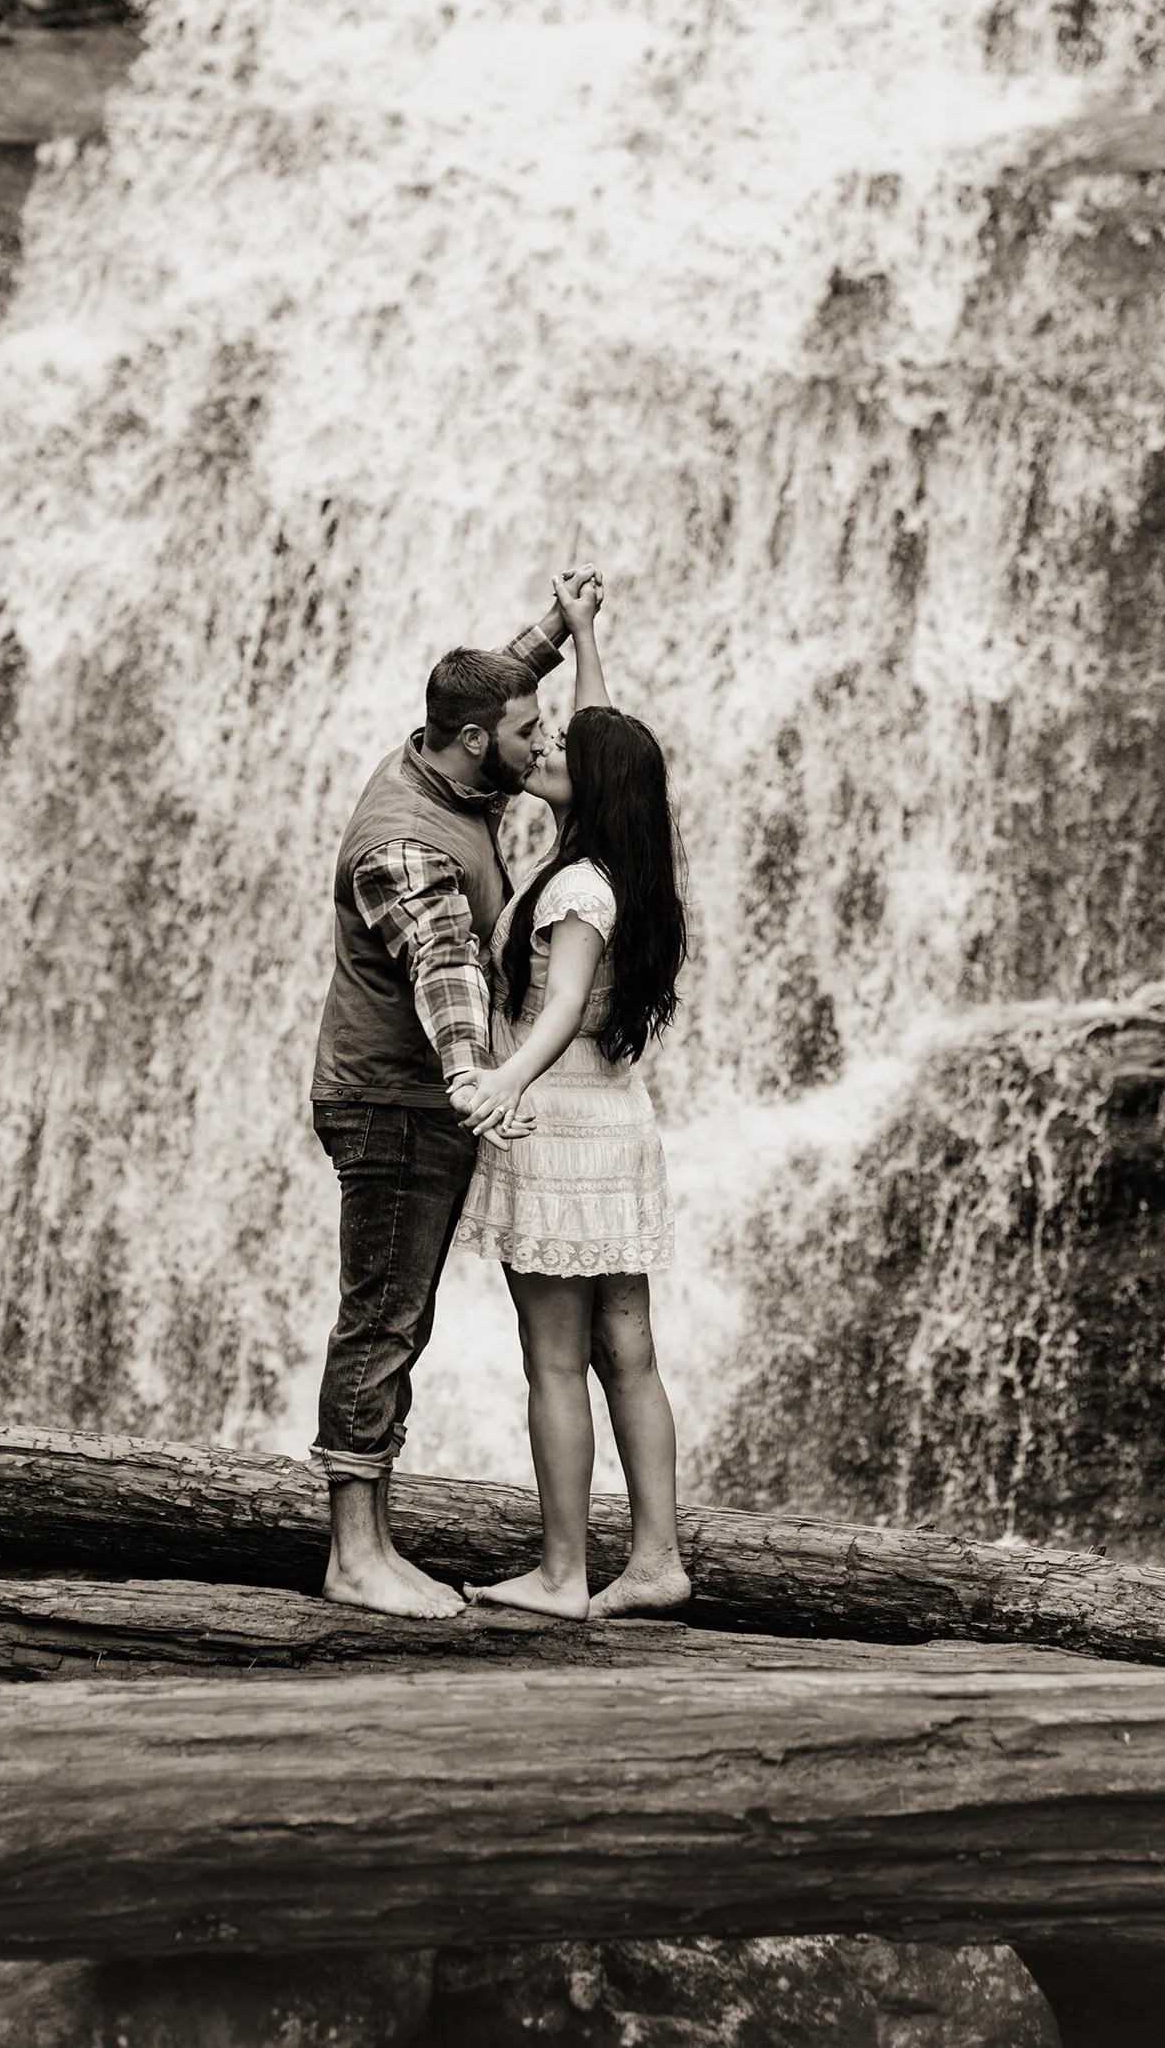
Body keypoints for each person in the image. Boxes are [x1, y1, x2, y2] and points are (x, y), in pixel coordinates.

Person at [308, 568, 601, 1618]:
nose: (543, 742)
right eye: (528, 732)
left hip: (412, 1097)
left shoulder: (449, 754)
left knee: (398, 1315)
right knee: (382, 1320)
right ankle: (354, 1555)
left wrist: (558, 630)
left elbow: (499, 682)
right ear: (477, 742)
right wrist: (475, 1071)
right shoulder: (406, 844)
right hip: (395, 1102)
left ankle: (370, 1540)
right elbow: (443, 964)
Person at [452, 573, 691, 1620]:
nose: (546, 745)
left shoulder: (581, 887)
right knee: (627, 1351)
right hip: (613, 1123)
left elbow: (559, 1008)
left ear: (592, 787)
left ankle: (561, 1572)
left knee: (554, 1361)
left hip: (557, 1130)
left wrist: (504, 1076)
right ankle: (657, 1559)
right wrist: (583, 635)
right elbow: (606, 736)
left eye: (563, 749)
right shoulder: (627, 862)